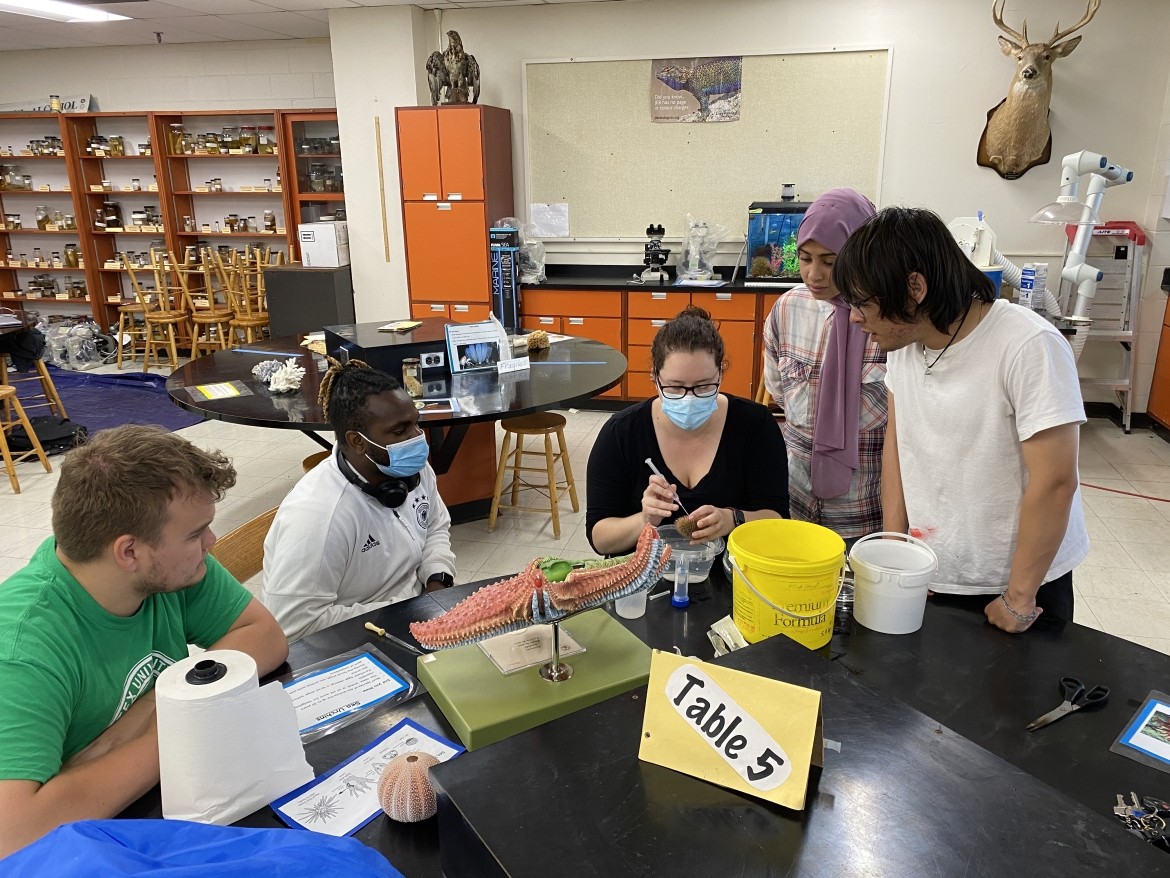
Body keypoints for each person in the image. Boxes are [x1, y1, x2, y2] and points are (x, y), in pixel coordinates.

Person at [0, 425, 288, 858]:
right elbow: (14, 834)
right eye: (196, 534)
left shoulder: (171, 572)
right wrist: (181, 731)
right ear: (129, 552)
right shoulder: (23, 650)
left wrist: (152, 711)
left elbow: (265, 636)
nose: (211, 543)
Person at [832, 206, 1088, 633]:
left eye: (862, 302)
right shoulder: (905, 347)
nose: (854, 318)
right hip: (931, 572)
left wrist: (1020, 597)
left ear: (915, 287)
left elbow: (1056, 480)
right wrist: (899, 554)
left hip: (1017, 584)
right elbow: (898, 449)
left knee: (1015, 696)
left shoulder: (1027, 344)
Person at [261, 359, 456, 641]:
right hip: (352, 641)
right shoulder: (318, 517)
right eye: (400, 431)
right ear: (357, 441)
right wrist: (405, 612)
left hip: (416, 614)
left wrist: (437, 580)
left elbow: (435, 526)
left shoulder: (412, 469)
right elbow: (293, 626)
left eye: (416, 424)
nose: (417, 439)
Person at [587, 305, 789, 556]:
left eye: (704, 386)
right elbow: (601, 540)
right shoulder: (621, 433)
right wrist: (646, 518)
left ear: (721, 373)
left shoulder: (755, 425)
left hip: (732, 576)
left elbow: (777, 518)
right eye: (675, 387)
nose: (689, 398)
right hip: (641, 587)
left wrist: (733, 519)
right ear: (655, 377)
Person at [762, 188, 886, 546]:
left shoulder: (891, 320)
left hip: (866, 513)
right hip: (797, 502)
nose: (814, 275)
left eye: (830, 262)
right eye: (805, 258)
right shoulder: (788, 310)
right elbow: (778, 392)